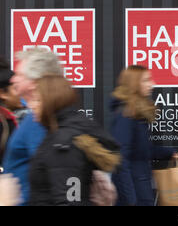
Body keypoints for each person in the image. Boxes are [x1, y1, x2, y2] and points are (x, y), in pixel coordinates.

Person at [28, 75, 121, 206]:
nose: (31, 105)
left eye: (37, 100)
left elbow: (71, 201)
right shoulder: (60, 135)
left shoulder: (64, 144)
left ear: (51, 102)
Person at [111, 65, 178, 206]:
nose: (152, 84)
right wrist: (131, 200)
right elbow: (121, 161)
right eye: (146, 80)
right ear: (134, 84)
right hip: (134, 195)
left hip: (140, 191)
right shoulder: (126, 115)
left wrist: (169, 153)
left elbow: (142, 151)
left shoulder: (135, 114)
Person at [2, 49, 63, 205]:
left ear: (34, 81)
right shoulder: (39, 116)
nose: (13, 79)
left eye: (19, 75)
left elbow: (48, 173)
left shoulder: (39, 119)